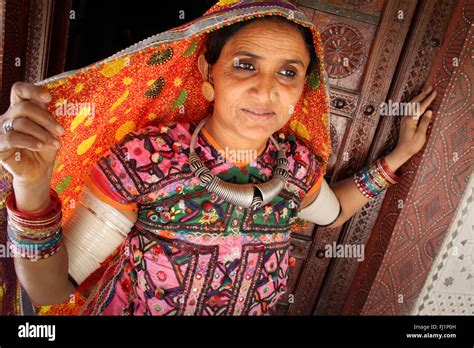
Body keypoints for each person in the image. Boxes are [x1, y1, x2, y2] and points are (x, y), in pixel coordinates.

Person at [0, 0, 436, 316]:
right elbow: (52, 288)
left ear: (303, 90)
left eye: (288, 72)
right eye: (246, 65)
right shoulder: (146, 158)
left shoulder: (296, 167)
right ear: (209, 77)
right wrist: (32, 187)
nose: (266, 90)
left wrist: (399, 155)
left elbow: (333, 212)